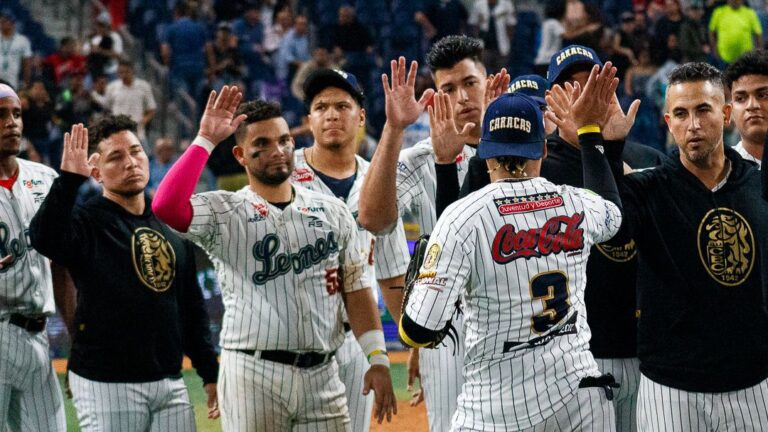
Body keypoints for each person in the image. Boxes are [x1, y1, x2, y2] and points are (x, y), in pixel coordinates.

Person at [152, 87, 397, 430]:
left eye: (283, 140)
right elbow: (165, 206)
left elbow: (355, 289)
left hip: (323, 374)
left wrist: (378, 358)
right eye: (262, 145)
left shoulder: (331, 212)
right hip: (253, 374)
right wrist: (205, 139)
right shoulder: (226, 211)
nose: (277, 151)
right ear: (240, 155)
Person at [400, 67, 623, 430]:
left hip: (495, 407)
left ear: (486, 151)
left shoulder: (462, 216)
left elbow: (418, 331)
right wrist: (588, 134)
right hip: (579, 399)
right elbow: (615, 215)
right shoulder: (576, 203)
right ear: (544, 147)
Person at [551, 61, 768, 431]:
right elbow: (608, 227)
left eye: (703, 110)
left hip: (751, 382)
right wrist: (597, 141)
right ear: (668, 122)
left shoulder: (759, 185)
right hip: (670, 388)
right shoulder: (650, 188)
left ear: (726, 113)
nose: (693, 125)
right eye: (681, 114)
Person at [29, 116, 220, 431]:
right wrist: (68, 181)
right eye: (116, 157)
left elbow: (191, 307)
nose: (130, 162)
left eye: (136, 152)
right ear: (96, 171)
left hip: (170, 382)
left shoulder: (170, 224)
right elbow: (44, 238)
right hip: (106, 383)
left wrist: (209, 372)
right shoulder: (85, 221)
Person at [358, 36, 506, 432]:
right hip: (450, 339)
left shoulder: (526, 149)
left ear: (489, 81)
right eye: (448, 89)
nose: (461, 98)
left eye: (469, 83)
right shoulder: (421, 159)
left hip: (518, 329)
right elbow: (371, 218)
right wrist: (393, 129)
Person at [296, 68, 411, 431]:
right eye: (321, 107)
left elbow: (392, 274)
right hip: (292, 339)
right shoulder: (282, 175)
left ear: (361, 116)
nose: (332, 114)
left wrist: (415, 343)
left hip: (355, 342)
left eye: (343, 106)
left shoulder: (378, 179)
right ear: (308, 120)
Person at [0, 83, 66, 432]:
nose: (12, 123)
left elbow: (62, 265)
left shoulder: (46, 178)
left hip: (38, 337)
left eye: (17, 114)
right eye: (1, 115)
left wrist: (77, 333)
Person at [724, 49, 768, 168]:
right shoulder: (721, 173)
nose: (752, 105)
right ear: (730, 110)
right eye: (741, 98)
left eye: (763, 95)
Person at [105, 60, 157, 144]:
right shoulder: (111, 88)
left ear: (132, 71)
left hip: (137, 132)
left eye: (126, 72)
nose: (124, 75)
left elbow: (151, 109)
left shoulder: (143, 86)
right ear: (118, 73)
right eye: (121, 72)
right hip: (117, 132)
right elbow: (107, 108)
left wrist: (142, 121)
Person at [709, 0, 762, 65]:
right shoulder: (718, 12)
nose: (735, 1)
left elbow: (758, 34)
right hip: (723, 58)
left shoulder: (750, 13)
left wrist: (757, 54)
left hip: (745, 59)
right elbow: (712, 32)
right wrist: (715, 51)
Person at [0, 12, 32, 91]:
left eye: (4, 22)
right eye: (1, 22)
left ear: (12, 23)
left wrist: (26, 83)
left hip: (12, 80)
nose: (2, 24)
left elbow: (27, 63)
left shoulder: (22, 40)